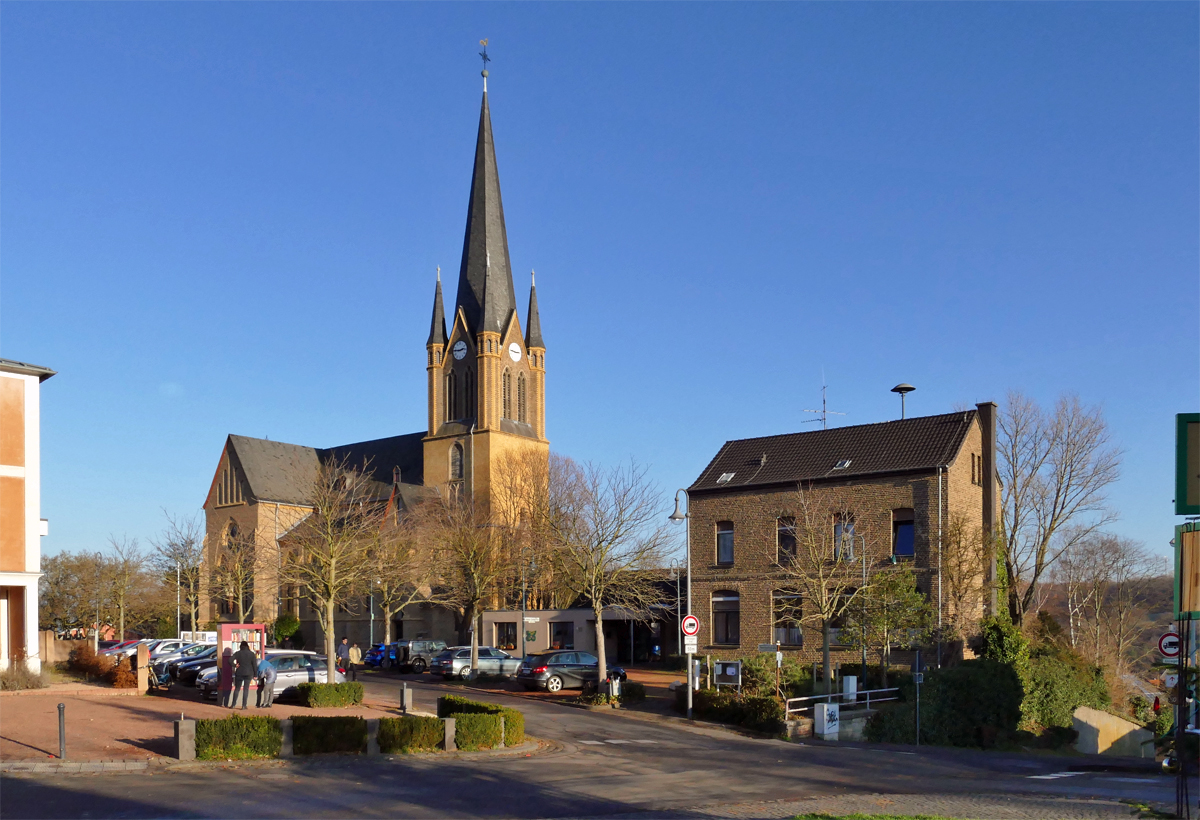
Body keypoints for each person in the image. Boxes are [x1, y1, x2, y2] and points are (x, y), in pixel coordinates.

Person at [231, 641, 258, 710]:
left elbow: (230, 660)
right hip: (249, 673)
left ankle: (233, 704)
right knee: (246, 689)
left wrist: (235, 665)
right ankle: (244, 705)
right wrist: (255, 674)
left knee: (237, 689)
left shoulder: (238, 653)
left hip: (239, 672)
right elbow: (254, 665)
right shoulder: (252, 654)